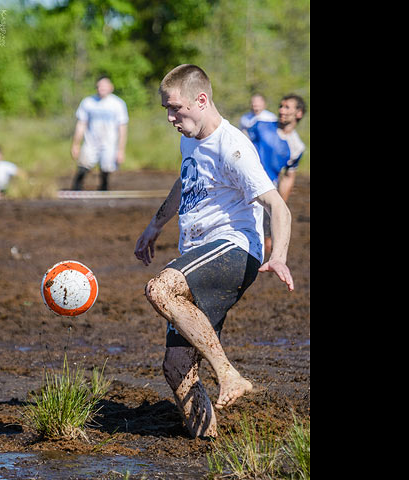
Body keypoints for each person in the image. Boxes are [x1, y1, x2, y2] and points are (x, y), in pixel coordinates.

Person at [134, 65, 294, 439]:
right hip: (199, 254)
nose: (171, 118)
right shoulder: (189, 139)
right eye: (166, 111)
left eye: (175, 108)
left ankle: (228, 374)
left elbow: (278, 205)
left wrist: (280, 255)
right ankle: (207, 443)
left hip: (233, 250)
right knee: (176, 369)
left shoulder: (233, 147)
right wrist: (155, 224)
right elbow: (184, 181)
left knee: (160, 289)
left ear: (201, 100)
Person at [246, 94, 306, 255]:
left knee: (266, 244)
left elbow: (288, 176)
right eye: (281, 106)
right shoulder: (260, 126)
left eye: (287, 107)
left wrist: (279, 206)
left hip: (266, 192)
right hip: (243, 187)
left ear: (298, 113)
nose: (281, 110)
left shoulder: (297, 146)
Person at [70, 76, 129, 191]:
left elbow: (122, 127)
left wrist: (121, 150)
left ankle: (103, 189)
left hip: (109, 142)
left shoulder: (118, 104)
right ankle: (76, 188)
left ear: (111, 87)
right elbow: (81, 124)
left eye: (105, 86)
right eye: (99, 86)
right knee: (83, 165)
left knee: (106, 168)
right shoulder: (88, 102)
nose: (102, 88)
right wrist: (76, 144)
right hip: (91, 141)